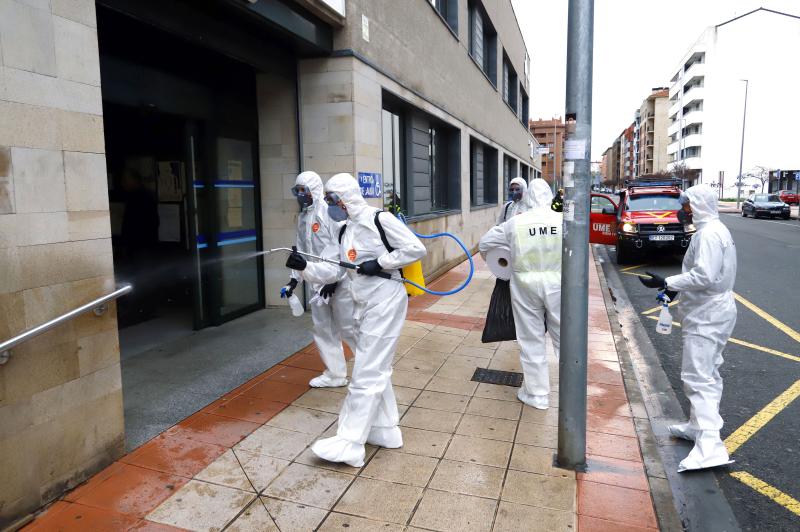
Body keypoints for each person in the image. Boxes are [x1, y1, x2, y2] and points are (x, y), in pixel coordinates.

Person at [285, 173, 427, 467]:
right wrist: (306, 268)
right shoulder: (343, 229)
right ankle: (386, 430)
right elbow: (335, 270)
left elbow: (416, 248)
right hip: (364, 303)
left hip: (386, 299)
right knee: (374, 365)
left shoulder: (379, 220)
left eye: (332, 199)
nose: (329, 204)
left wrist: (382, 262)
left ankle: (350, 441)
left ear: (346, 197)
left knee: (366, 371)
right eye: (327, 199)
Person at [639, 183, 737, 472]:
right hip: (710, 310)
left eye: (686, 205)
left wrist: (668, 283)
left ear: (697, 205)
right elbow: (708, 274)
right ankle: (698, 426)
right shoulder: (716, 230)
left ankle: (710, 446)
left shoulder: (708, 234)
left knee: (699, 376)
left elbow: (705, 275)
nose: (682, 210)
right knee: (707, 371)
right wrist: (674, 291)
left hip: (708, 313)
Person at [479, 179, 562, 409]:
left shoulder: (516, 223)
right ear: (549, 195)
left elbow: (484, 244)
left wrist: (502, 264)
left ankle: (537, 395)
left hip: (525, 284)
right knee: (565, 337)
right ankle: (571, 389)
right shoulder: (564, 221)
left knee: (530, 338)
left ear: (527, 196)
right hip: (558, 284)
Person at [283, 171, 356, 388]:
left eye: (303, 190)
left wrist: (336, 277)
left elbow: (344, 245)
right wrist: (294, 280)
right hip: (318, 284)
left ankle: (368, 370)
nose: (299, 194)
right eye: (297, 190)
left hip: (340, 284)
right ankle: (335, 374)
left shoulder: (329, 212)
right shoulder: (304, 216)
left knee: (349, 328)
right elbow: (301, 253)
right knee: (323, 328)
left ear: (313, 189)